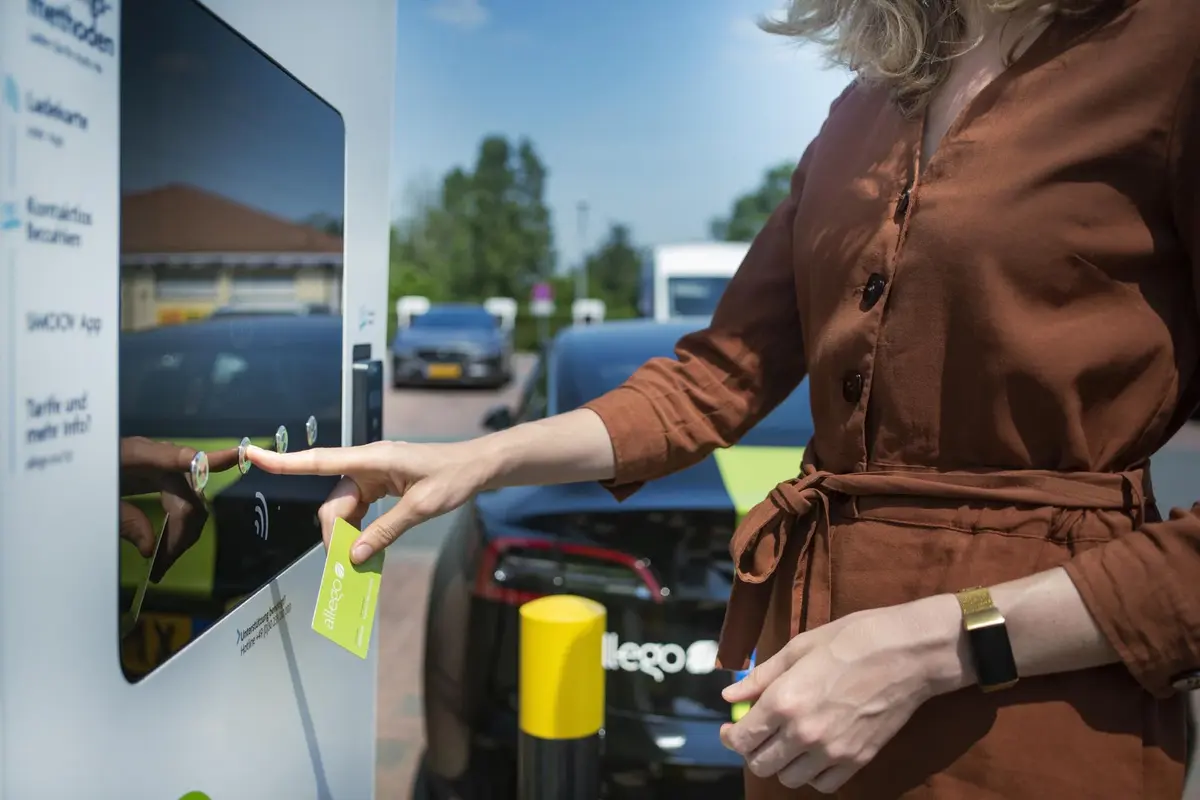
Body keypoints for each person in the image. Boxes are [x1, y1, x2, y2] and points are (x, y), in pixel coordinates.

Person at [249, 0, 1200, 796]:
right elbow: (715, 377)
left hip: (1036, 710)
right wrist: (475, 458)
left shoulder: (1171, 49)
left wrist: (937, 646)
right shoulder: (865, 106)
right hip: (808, 694)